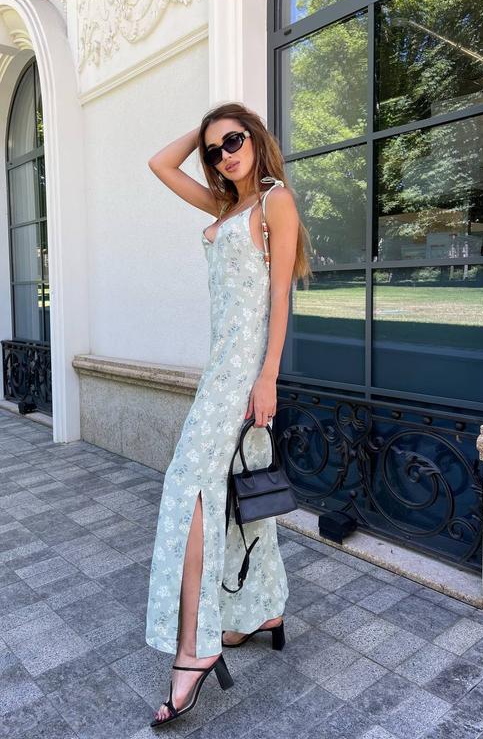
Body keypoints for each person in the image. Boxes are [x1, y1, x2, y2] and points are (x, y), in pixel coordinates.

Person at [145, 101, 312, 727]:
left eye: (233, 141)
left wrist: (267, 377)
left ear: (255, 138)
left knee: (189, 487)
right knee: (238, 491)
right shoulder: (224, 206)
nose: (224, 156)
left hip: (244, 374)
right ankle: (261, 609)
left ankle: (195, 646)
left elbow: (279, 298)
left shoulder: (275, 202)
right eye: (215, 150)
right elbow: (160, 164)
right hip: (219, 367)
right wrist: (204, 129)